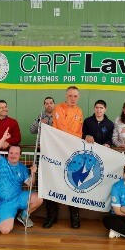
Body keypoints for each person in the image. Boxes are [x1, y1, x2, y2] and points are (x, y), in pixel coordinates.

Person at [0, 128, 43, 235]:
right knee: (5, 231)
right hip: (5, 202)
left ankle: (23, 215)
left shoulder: (23, 168)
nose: (13, 155)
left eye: (16, 153)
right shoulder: (1, 162)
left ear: (20, 155)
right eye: (11, 153)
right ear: (7, 153)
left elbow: (30, 184)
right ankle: (10, 215)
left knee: (39, 198)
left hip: (19, 198)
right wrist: (4, 138)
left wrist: (33, 173)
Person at [44, 86, 83, 229]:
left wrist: (75, 143)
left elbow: (79, 132)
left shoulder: (79, 111)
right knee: (53, 183)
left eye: (76, 96)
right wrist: (72, 140)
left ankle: (75, 217)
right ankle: (51, 217)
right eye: (70, 96)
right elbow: (62, 129)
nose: (73, 98)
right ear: (66, 96)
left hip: (72, 153)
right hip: (57, 151)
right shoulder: (59, 108)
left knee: (74, 183)